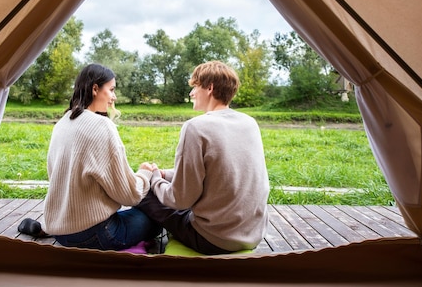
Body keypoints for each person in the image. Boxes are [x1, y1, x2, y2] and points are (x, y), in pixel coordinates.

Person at [138, 60, 270, 255]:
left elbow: (180, 200)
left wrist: (154, 179)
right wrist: (166, 174)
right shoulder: (249, 123)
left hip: (214, 239)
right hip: (253, 235)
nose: (191, 93)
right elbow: (218, 171)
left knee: (145, 194)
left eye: (195, 87)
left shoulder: (196, 127)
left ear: (209, 88)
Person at [27, 63, 161, 250]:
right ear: (95, 88)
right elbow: (129, 195)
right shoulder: (101, 126)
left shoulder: (63, 122)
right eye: (112, 90)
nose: (114, 97)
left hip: (60, 230)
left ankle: (44, 229)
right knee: (156, 216)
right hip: (95, 235)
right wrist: (144, 174)